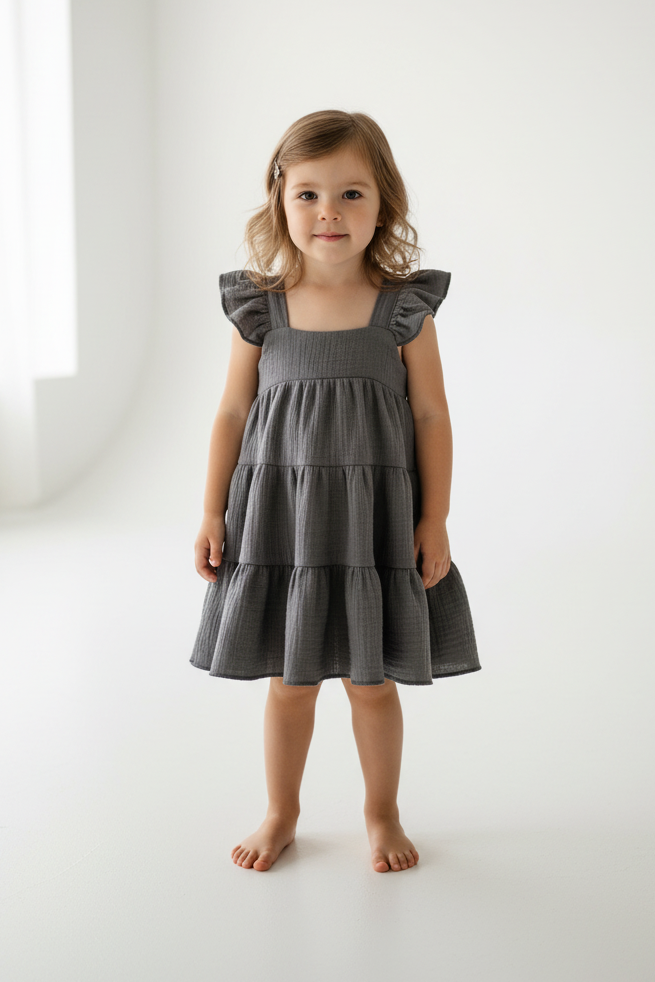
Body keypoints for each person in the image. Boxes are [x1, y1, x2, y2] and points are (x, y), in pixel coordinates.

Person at [190, 109, 481, 874]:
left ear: (383, 202)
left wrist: (436, 518)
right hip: (283, 522)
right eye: (309, 194)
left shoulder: (402, 310)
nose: (329, 213)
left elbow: (430, 413)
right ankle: (281, 811)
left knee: (371, 683)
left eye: (352, 194)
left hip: (373, 526)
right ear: (280, 202)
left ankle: (379, 813)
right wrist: (211, 509)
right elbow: (230, 411)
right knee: (289, 684)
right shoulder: (261, 308)